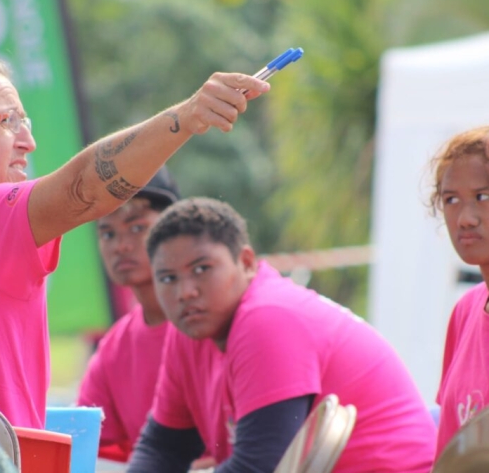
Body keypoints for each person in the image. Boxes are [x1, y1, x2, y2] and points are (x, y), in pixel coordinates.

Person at [0, 55, 270, 429]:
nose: (28, 141)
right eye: (7, 121)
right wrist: (188, 116)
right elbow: (83, 188)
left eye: (26, 122)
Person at [127, 197, 437, 472]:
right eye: (167, 278)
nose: (185, 292)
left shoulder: (268, 318)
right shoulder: (189, 331)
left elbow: (258, 467)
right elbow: (164, 447)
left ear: (246, 262)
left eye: (201, 269)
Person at [77, 166, 180, 462]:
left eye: (137, 228)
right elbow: (79, 444)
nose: (120, 246)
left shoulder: (211, 325)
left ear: (176, 226)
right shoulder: (115, 348)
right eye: (108, 233)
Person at [428, 126, 489, 456]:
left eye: (483, 197)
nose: (465, 219)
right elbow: (450, 454)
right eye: (451, 200)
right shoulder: (465, 311)